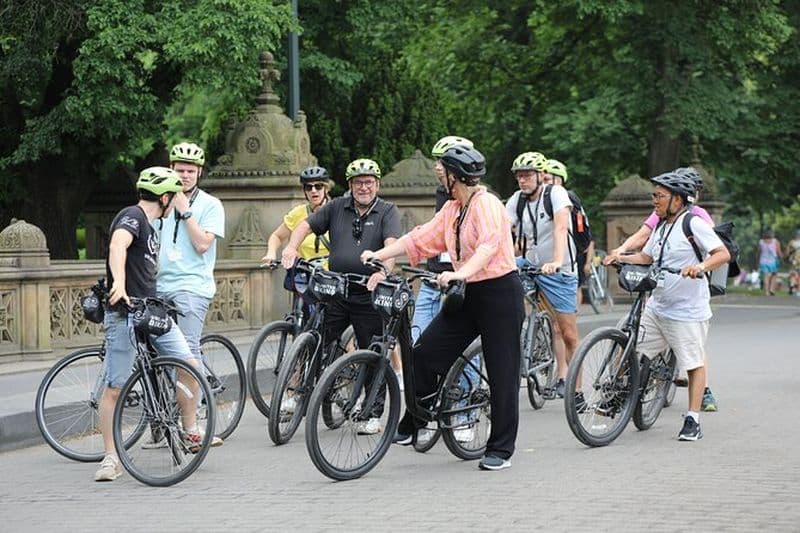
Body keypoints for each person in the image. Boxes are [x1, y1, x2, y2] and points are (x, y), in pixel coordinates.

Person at [361, 146, 525, 471]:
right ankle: (416, 420)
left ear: (455, 176)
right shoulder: (453, 209)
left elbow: (489, 246)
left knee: (502, 373)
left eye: (442, 170)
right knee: (423, 353)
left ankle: (501, 449)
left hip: (499, 294)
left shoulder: (487, 204)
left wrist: (460, 273)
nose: (439, 173)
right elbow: (419, 239)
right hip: (466, 294)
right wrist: (380, 253)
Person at [95, 167, 208, 481]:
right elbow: (118, 245)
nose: (174, 204)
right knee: (115, 388)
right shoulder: (132, 216)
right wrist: (118, 282)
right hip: (124, 314)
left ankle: (189, 428)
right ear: (165, 196)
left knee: (189, 363)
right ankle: (110, 459)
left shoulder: (151, 227)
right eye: (174, 197)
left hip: (151, 312)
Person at [606, 171, 730, 441]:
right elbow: (647, 256)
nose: (655, 201)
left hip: (687, 311)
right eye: (654, 195)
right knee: (628, 342)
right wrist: (621, 257)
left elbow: (722, 254)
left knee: (693, 364)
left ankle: (692, 419)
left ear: (678, 199)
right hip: (658, 306)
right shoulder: (661, 226)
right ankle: (620, 394)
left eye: (660, 196)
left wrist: (699, 267)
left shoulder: (694, 224)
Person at [281, 158, 401, 435]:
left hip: (367, 291)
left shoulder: (387, 211)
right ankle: (303, 391)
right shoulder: (337, 207)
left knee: (373, 350)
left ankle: (372, 413)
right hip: (336, 288)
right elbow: (304, 226)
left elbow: (392, 246)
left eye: (369, 182)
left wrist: (382, 271)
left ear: (377, 184)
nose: (363, 187)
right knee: (316, 338)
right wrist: (291, 248)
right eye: (358, 182)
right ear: (349, 186)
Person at [145, 143, 225, 449]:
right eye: (180, 170)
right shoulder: (159, 201)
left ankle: (192, 427)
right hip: (158, 287)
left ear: (199, 173)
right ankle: (160, 421)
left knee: (184, 355)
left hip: (192, 288)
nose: (186, 175)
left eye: (191, 171)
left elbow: (203, 244)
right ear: (171, 169)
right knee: (153, 354)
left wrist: (185, 209)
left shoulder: (210, 205)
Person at [506, 152, 578, 400]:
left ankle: (576, 389)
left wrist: (556, 261)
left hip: (560, 268)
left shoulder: (556, 194)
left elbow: (560, 228)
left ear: (540, 176)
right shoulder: (517, 200)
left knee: (568, 333)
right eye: (519, 176)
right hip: (529, 263)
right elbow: (504, 233)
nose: (522, 181)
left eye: (527, 175)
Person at [262, 165, 331, 266]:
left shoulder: (337, 211)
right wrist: (271, 253)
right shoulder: (298, 213)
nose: (313, 191)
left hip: (332, 273)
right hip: (305, 271)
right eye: (308, 187)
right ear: (304, 191)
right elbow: (277, 236)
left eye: (318, 186)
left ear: (326, 189)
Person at [757, 229, 782, 295]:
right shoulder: (775, 241)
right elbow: (779, 252)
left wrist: (758, 260)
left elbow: (759, 252)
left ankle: (767, 292)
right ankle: (771, 289)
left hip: (763, 261)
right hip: (773, 261)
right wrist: (782, 257)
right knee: (774, 275)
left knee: (766, 276)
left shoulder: (761, 242)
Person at [786, 229, 800, 295]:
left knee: (793, 274)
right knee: (798, 275)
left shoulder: (791, 242)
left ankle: (792, 284)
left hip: (793, 260)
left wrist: (788, 258)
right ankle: (798, 290)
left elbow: (787, 252)